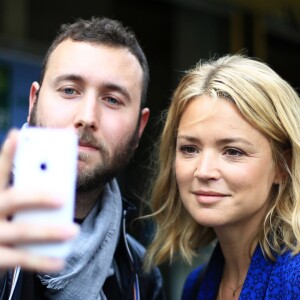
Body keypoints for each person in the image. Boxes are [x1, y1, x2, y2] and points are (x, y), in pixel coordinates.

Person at [0, 17, 165, 300]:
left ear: (139, 128)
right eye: (69, 90)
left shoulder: (141, 277)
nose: (87, 117)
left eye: (112, 99)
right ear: (33, 102)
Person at [144, 54, 300, 299]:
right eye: (189, 149)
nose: (203, 171)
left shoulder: (295, 278)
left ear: (283, 166)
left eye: (233, 151)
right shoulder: (196, 286)